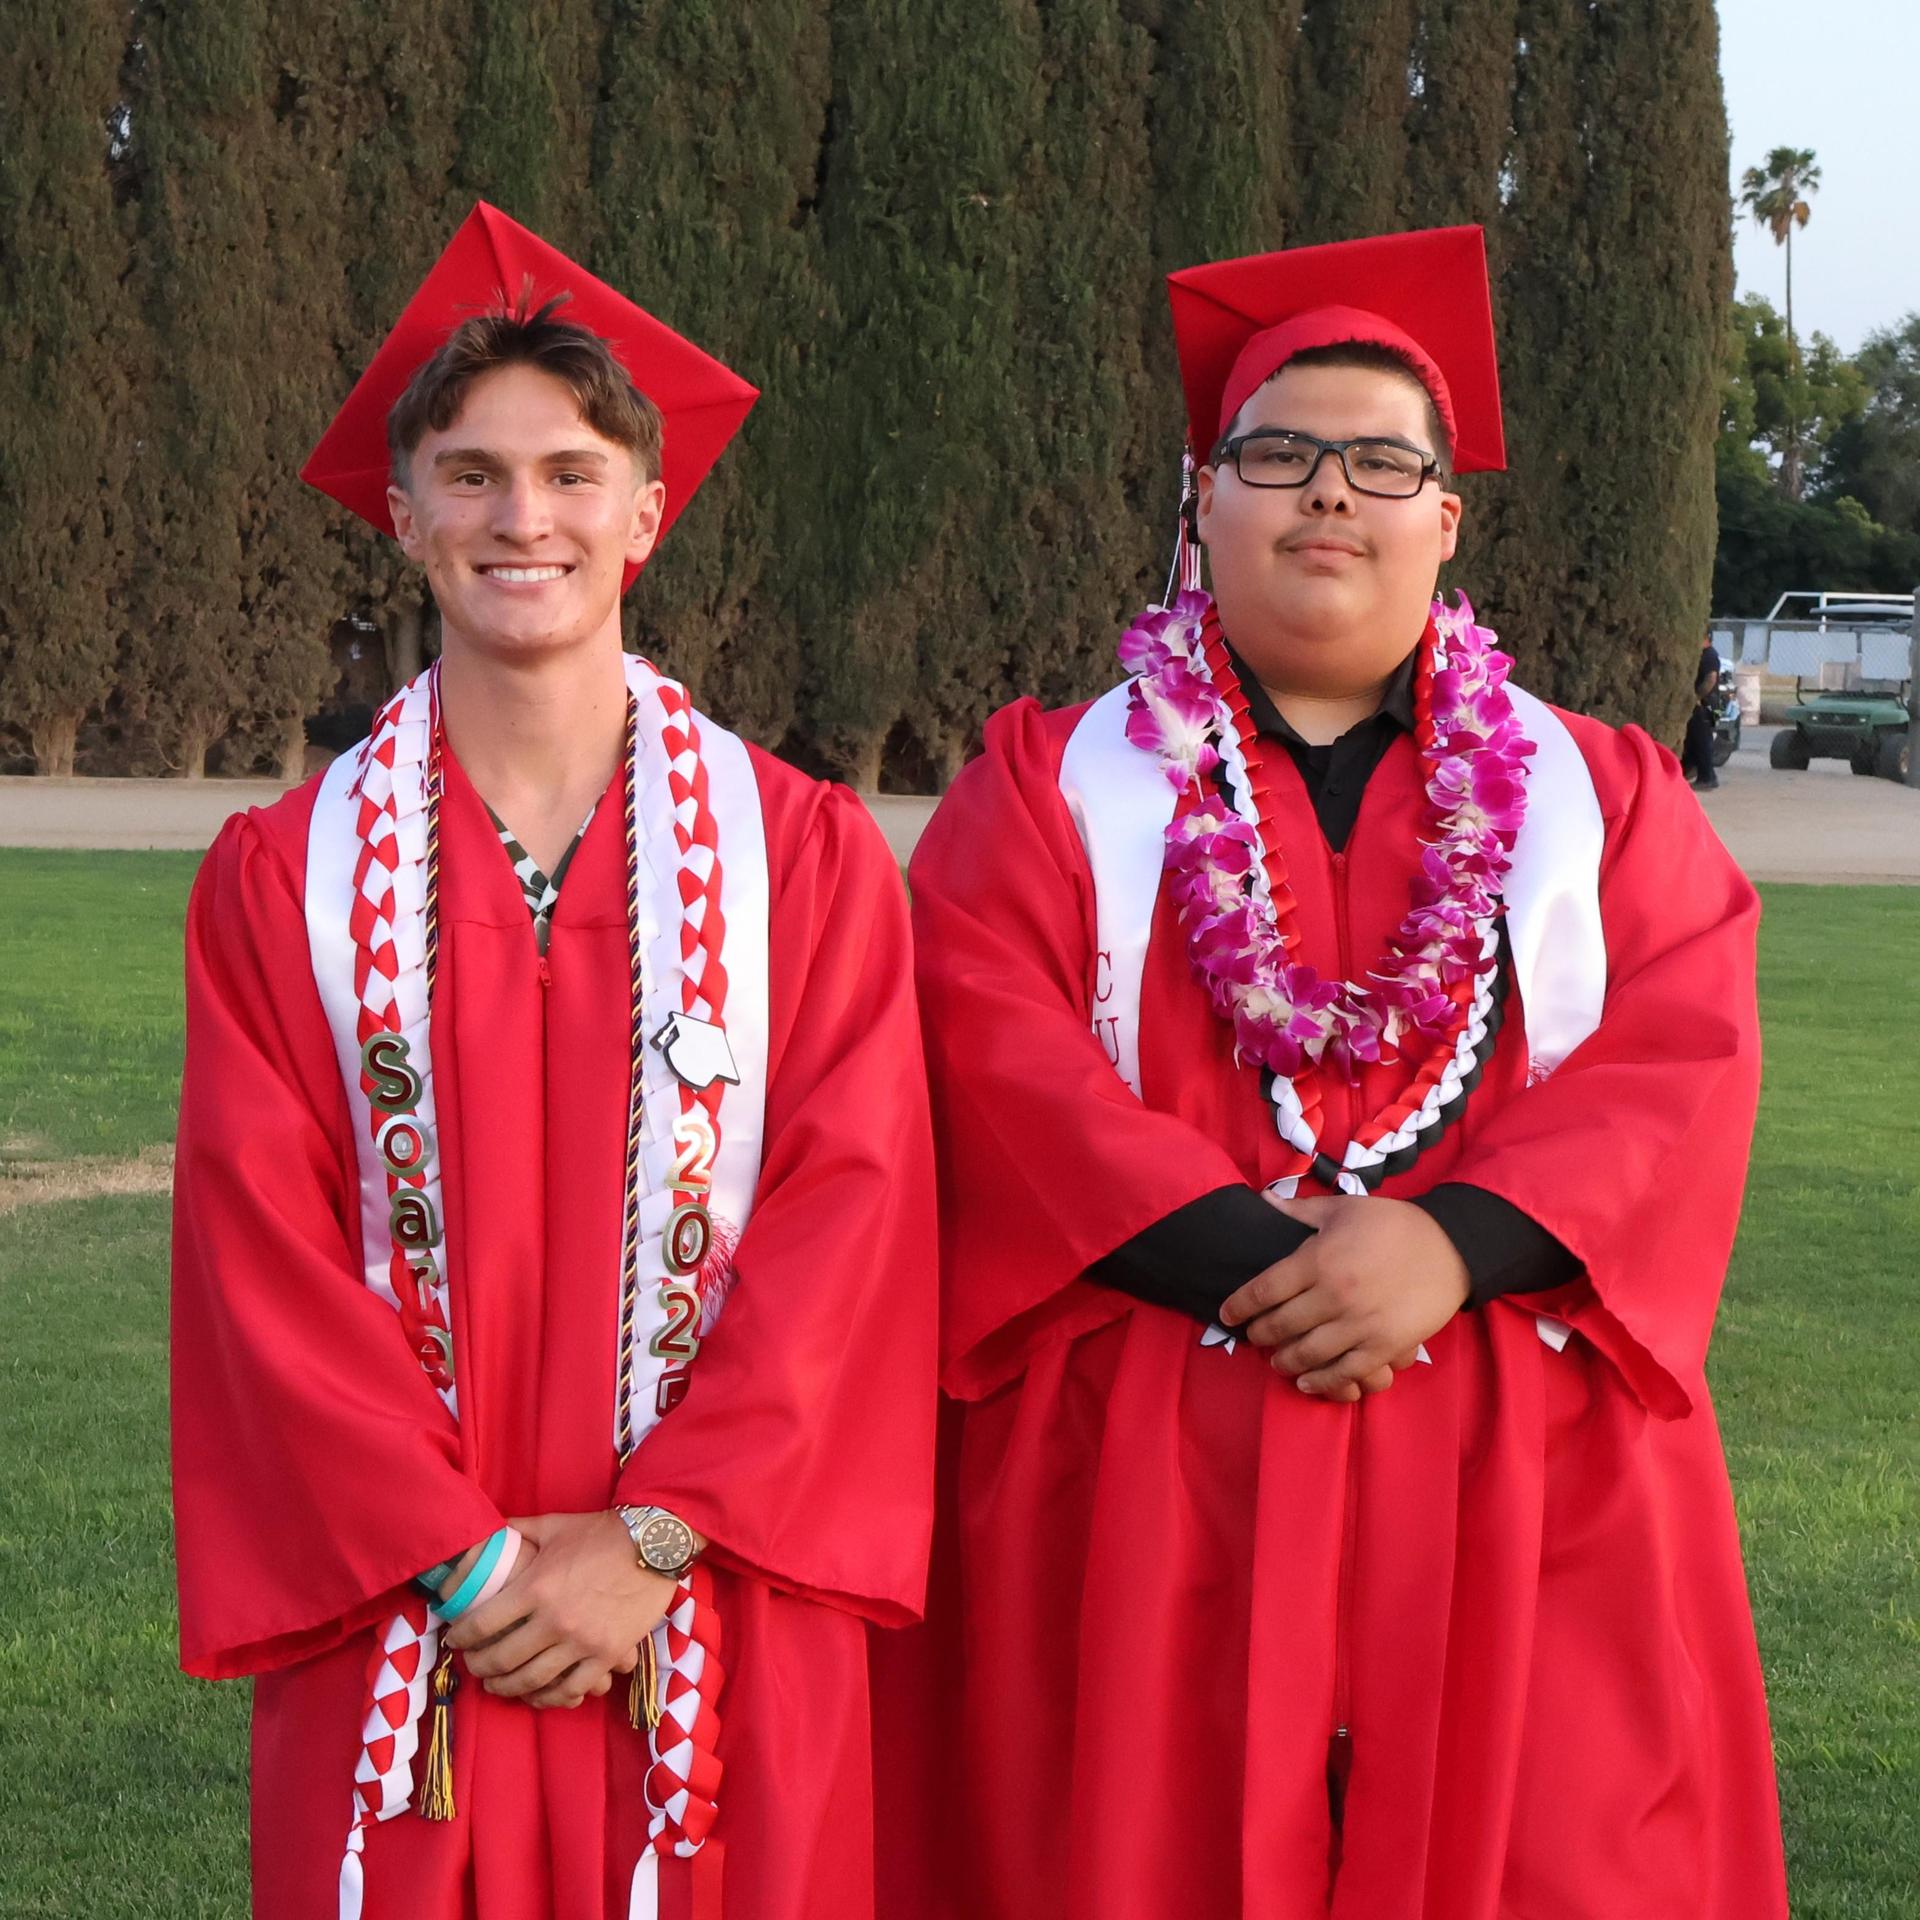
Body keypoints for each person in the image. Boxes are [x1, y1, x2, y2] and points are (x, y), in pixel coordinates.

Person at [892, 226, 1787, 1918]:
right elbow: (984, 1052)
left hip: (1519, 1464)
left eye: (1385, 465)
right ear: (1200, 502)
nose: (1329, 495)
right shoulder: (1051, 788)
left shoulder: (1600, 798)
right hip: (1158, 1458)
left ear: (1444, 522)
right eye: (1279, 455)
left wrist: (1451, 1246)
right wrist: (1274, 1267)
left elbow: (1685, 1055)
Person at [171, 203, 936, 1920]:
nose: (525, 516)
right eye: (471, 473)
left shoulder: (804, 861)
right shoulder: (283, 880)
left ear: (648, 514)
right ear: (401, 513)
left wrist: (653, 1543)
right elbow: (258, 1249)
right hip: (409, 1614)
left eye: (575, 472)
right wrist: (470, 1562)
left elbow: (854, 1231)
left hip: (713, 1617)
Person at [1685, 631, 1725, 788]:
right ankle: (1702, 773)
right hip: (1705, 704)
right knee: (1696, 740)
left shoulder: (1709, 655)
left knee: (1702, 741)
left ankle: (1707, 778)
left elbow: (1710, 679)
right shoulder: (1703, 654)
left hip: (1707, 705)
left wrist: (1696, 697)